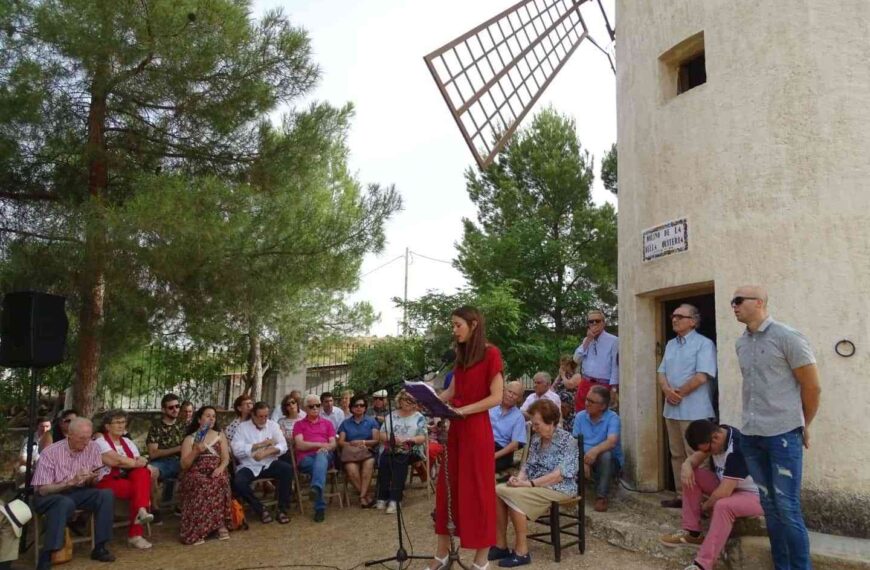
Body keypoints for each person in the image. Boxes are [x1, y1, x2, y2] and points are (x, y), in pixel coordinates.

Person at [732, 285, 820, 570]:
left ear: (758, 303)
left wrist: (803, 424)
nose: (732, 305)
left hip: (782, 435)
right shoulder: (740, 343)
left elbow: (812, 387)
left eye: (738, 300)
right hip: (752, 435)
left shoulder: (787, 337)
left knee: (788, 508)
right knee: (769, 508)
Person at [430, 306, 504, 570]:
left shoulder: (491, 353)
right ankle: (440, 556)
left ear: (473, 324)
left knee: (479, 493)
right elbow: (452, 390)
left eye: (457, 325)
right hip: (456, 431)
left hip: (476, 431)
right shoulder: (461, 356)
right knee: (447, 491)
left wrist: (462, 410)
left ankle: (481, 561)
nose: (454, 330)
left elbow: (496, 396)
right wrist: (430, 401)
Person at [660, 420, 763, 570]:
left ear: (715, 438)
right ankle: (692, 532)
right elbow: (695, 459)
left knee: (722, 505)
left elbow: (724, 493)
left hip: (756, 496)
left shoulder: (737, 449)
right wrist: (686, 465)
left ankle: (703, 564)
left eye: (709, 449)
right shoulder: (718, 433)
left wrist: (705, 507)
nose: (709, 453)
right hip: (731, 487)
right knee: (691, 475)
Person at [490, 399, 579, 568]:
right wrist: (519, 479)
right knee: (498, 490)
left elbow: (558, 476)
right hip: (536, 485)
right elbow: (528, 465)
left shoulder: (568, 441)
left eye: (537, 425)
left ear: (551, 422)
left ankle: (522, 552)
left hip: (559, 488)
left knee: (512, 494)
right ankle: (501, 545)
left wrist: (529, 484)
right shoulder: (537, 440)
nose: (534, 428)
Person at [31, 418, 116, 569]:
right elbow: (42, 489)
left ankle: (100, 547)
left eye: (89, 437)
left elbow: (93, 482)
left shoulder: (93, 447)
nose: (86, 442)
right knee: (64, 503)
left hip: (77, 492)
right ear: (69, 435)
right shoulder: (51, 452)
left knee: (105, 495)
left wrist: (92, 478)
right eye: (82, 438)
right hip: (49, 496)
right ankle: (48, 554)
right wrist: (69, 482)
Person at [658, 304, 718, 509]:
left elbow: (702, 376)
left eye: (680, 316)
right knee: (676, 454)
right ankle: (682, 496)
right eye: (673, 316)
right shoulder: (670, 345)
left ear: (693, 321)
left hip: (695, 410)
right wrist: (667, 391)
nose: (674, 319)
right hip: (672, 409)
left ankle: (701, 501)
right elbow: (661, 372)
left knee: (697, 457)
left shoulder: (704, 344)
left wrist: (678, 394)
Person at [95, 410, 155, 549]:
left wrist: (139, 463)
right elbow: (116, 461)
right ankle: (136, 533)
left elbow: (137, 460)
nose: (121, 425)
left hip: (128, 478)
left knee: (142, 473)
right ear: (107, 426)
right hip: (107, 480)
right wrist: (138, 462)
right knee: (140, 488)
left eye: (123, 422)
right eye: (117, 422)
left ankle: (141, 511)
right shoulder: (100, 442)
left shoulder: (127, 441)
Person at [230, 402, 292, 524]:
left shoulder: (273, 425)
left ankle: (282, 509)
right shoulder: (242, 427)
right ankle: (260, 508)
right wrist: (258, 446)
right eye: (260, 416)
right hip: (249, 465)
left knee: (287, 469)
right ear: (253, 415)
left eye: (266, 416)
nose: (264, 419)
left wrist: (268, 451)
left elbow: (283, 445)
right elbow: (236, 449)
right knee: (238, 481)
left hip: (269, 463)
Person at [179, 406, 232, 545]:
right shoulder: (190, 439)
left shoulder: (219, 435)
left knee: (220, 480)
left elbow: (225, 458)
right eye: (207, 416)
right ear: (199, 419)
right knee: (201, 483)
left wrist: (220, 468)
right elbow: (184, 465)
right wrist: (195, 451)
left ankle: (219, 524)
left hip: (215, 469)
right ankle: (199, 529)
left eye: (213, 416)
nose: (211, 419)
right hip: (195, 472)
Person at [572, 385, 623, 512]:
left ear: (603, 406)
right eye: (587, 399)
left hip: (609, 462)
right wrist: (584, 460)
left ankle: (602, 496)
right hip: (585, 458)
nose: (587, 403)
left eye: (591, 401)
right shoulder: (580, 417)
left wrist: (594, 452)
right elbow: (574, 443)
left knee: (606, 454)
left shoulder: (613, 418)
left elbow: (611, 442)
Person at [375, 390, 427, 513]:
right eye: (405, 400)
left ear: (415, 402)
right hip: (392, 447)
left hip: (412, 447)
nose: (408, 403)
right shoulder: (391, 416)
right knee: (384, 460)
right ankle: (382, 496)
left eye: (411, 400)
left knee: (400, 459)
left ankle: (395, 499)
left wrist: (408, 439)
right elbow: (381, 434)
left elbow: (422, 437)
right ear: (399, 401)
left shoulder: (419, 417)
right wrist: (392, 439)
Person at [293, 394, 337, 522]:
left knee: (321, 456)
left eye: (318, 405)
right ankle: (318, 501)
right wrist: (320, 444)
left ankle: (318, 496)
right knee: (319, 468)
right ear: (305, 408)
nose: (315, 408)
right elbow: (300, 445)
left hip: (324, 455)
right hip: (305, 458)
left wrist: (324, 448)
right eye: (311, 406)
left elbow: (333, 444)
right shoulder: (299, 425)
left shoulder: (327, 424)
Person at [569, 310, 619, 412]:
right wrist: (588, 340)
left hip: (603, 385)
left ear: (603, 323)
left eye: (597, 321)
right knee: (581, 415)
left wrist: (614, 389)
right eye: (591, 321)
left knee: (599, 417)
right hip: (585, 382)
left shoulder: (614, 341)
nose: (594, 323)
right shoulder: (587, 340)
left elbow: (616, 366)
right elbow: (576, 359)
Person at [337, 394, 379, 507]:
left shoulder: (371, 422)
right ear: (351, 407)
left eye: (362, 405)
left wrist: (363, 442)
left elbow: (376, 440)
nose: (359, 407)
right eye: (356, 405)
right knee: (351, 469)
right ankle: (365, 496)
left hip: (367, 451)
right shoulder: (345, 423)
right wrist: (352, 444)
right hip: (351, 453)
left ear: (365, 408)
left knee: (369, 465)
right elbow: (340, 442)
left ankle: (362, 497)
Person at [146, 393, 186, 509]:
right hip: (160, 463)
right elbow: (153, 453)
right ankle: (155, 509)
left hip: (181, 461)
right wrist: (178, 448)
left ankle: (182, 507)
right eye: (171, 407)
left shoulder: (183, 425)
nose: (175, 410)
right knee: (151, 472)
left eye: (177, 406)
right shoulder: (156, 427)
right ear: (163, 409)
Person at [490, 381, 527, 473]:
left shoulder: (518, 417)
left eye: (515, 394)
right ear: (504, 391)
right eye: (509, 392)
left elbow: (514, 445)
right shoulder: (490, 407)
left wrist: (493, 456)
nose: (511, 395)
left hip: (502, 451)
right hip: (485, 444)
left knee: (483, 466)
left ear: (519, 399)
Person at [18, 417, 52, 483]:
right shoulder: (29, 440)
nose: (44, 429)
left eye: (47, 426)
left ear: (50, 427)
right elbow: (22, 458)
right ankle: (24, 491)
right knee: (22, 470)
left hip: (50, 467)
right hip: (33, 466)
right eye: (42, 426)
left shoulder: (55, 439)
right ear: (37, 427)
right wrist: (34, 463)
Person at [552, 356, 580, 430]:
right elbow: (552, 388)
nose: (562, 367)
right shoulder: (561, 376)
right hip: (559, 406)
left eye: (564, 365)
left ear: (570, 365)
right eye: (561, 365)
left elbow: (569, 385)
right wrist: (559, 376)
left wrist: (563, 375)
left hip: (569, 407)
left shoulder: (577, 376)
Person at [276, 394, 302, 461]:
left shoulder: (304, 420)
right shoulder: (281, 422)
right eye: (288, 404)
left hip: (301, 448)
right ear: (285, 408)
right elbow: (282, 437)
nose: (291, 405)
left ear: (297, 404)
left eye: (293, 402)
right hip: (287, 449)